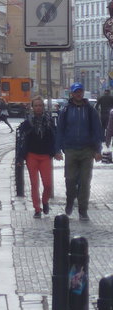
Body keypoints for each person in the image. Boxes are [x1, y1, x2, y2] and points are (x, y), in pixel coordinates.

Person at [58, 82, 103, 219]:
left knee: (85, 181)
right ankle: (70, 200)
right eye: (76, 92)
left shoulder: (90, 110)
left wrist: (97, 150)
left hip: (87, 150)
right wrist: (58, 149)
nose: (79, 94)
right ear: (72, 94)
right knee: (70, 180)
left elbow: (97, 130)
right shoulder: (65, 110)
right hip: (70, 149)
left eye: (80, 91)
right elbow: (60, 130)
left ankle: (83, 210)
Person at [17, 96, 62, 218]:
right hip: (32, 155)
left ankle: (45, 201)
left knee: (48, 184)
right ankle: (37, 209)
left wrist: (57, 151)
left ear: (43, 107)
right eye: (36, 105)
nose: (38, 108)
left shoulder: (49, 121)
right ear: (32, 107)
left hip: (46, 156)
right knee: (34, 184)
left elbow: (55, 137)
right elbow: (21, 141)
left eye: (40, 105)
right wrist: (20, 158)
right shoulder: (27, 122)